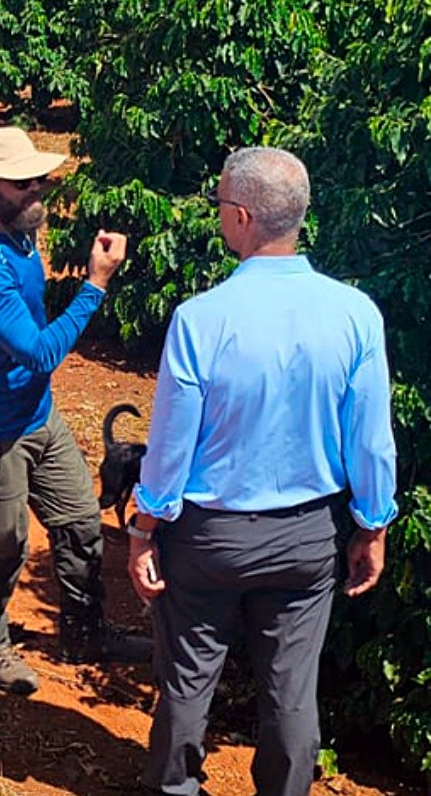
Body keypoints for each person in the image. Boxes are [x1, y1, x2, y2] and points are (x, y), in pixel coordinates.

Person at [129, 147, 396, 796]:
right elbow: (372, 440)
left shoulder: (200, 319)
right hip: (305, 537)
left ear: (242, 216)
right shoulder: (355, 313)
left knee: (189, 683)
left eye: (221, 205)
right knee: (290, 694)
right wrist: (373, 523)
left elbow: (169, 446)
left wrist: (144, 526)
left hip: (208, 537)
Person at [0, 126, 146, 696]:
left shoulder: (20, 236)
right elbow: (39, 351)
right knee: (4, 540)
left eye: (39, 179)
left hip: (37, 416)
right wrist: (95, 285)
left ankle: (86, 632)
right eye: (23, 181)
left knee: (81, 521)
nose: (38, 188)